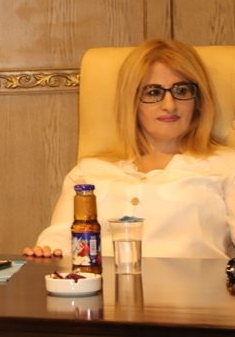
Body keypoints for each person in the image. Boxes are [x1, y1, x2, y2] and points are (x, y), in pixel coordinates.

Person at [24, 39, 235, 259]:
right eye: (153, 93)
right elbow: (60, 237)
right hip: (99, 280)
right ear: (131, 102)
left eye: (181, 90)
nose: (170, 105)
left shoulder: (226, 165)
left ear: (198, 101)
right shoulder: (88, 172)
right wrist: (46, 251)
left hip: (192, 282)